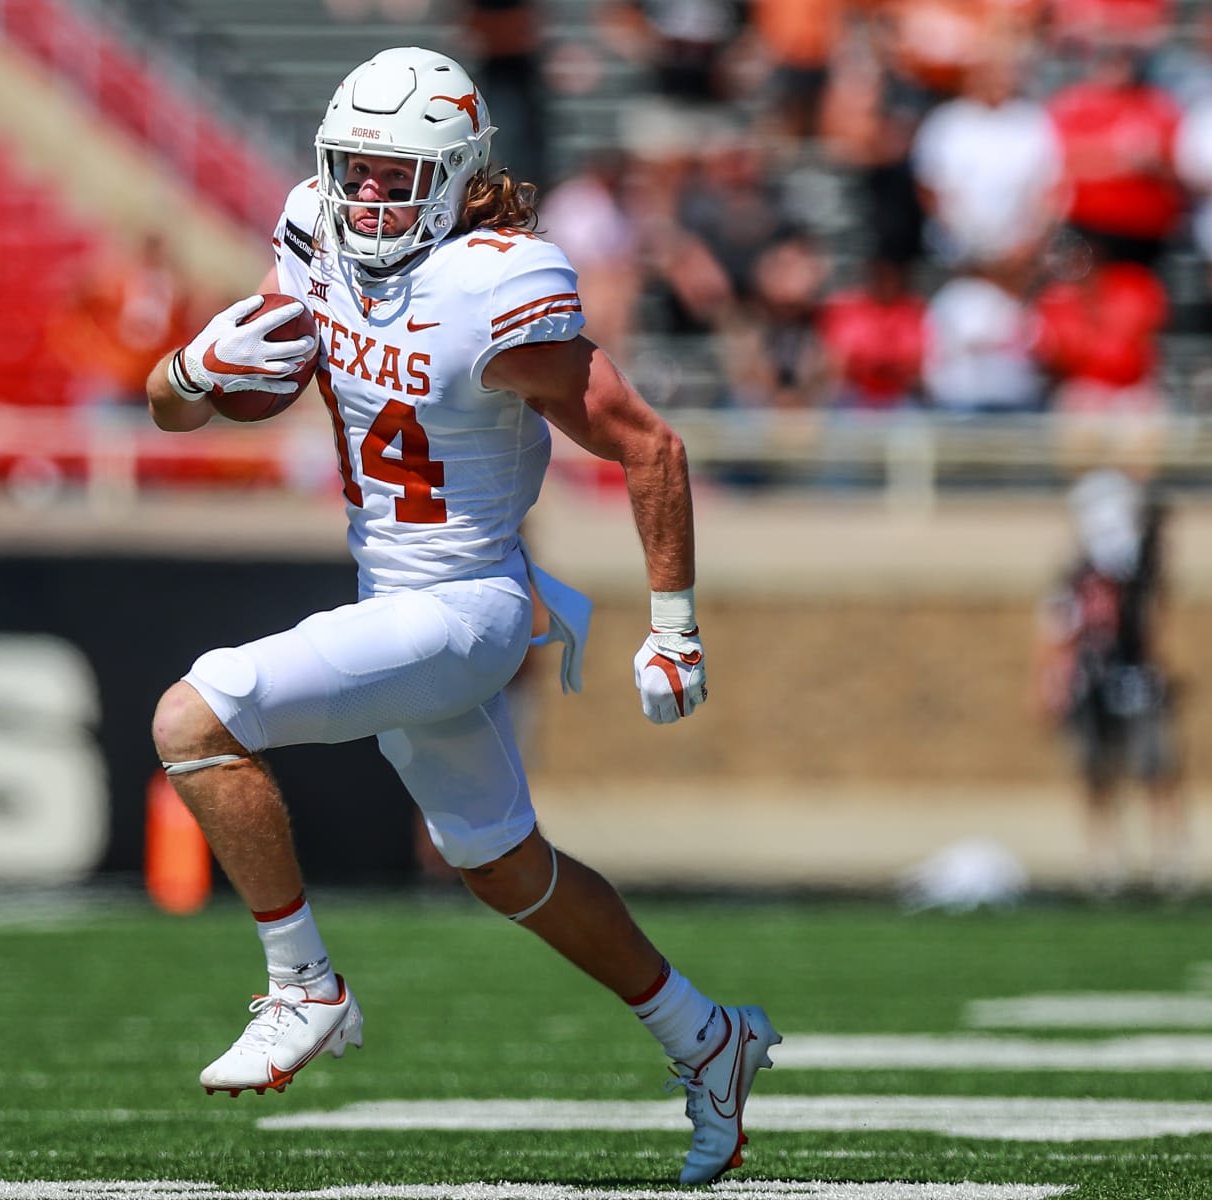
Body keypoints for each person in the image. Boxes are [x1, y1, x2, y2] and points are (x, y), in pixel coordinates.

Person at [144, 47, 778, 1187]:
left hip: (473, 603)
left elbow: (648, 443)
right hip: (390, 601)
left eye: (397, 175)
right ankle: (706, 1035)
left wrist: (673, 624)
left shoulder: (497, 282)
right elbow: (191, 408)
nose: (369, 198)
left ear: (456, 176)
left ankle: (305, 987)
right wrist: (188, 370)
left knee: (196, 717)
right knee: (498, 863)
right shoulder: (314, 236)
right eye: (355, 171)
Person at [1036, 469, 1187, 897]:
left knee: (1156, 770)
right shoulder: (1075, 575)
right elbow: (1057, 630)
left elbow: (1153, 616)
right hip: (1093, 682)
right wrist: (1051, 683)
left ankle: (1168, 859)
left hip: (1137, 679)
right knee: (1097, 773)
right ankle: (1106, 861)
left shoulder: (1142, 570)